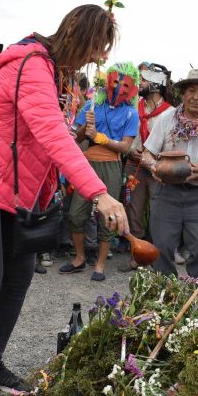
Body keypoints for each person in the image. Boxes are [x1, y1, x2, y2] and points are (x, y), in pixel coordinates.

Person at [0, 4, 127, 393]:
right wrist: (99, 193)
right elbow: (52, 135)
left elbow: (49, 139)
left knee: (18, 277)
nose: (101, 56)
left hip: (22, 192)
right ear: (78, 36)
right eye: (99, 45)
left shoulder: (60, 74)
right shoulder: (33, 67)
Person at [141, 68, 198, 278]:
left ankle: (192, 291)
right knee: (161, 248)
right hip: (166, 193)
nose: (196, 97)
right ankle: (167, 293)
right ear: (183, 93)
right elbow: (146, 154)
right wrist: (154, 167)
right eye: (191, 90)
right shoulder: (167, 119)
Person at [59, 61, 139, 282]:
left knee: (108, 216)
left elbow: (125, 147)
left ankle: (100, 264)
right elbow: (78, 137)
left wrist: (100, 138)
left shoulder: (131, 113)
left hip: (111, 166)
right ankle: (79, 258)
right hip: (87, 164)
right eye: (116, 82)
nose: (119, 88)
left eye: (125, 86)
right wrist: (87, 127)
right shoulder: (92, 105)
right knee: (76, 214)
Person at [119, 62, 174, 273]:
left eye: (142, 80)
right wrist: (130, 151)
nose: (139, 84)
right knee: (134, 208)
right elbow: (129, 135)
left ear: (155, 84)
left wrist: (155, 159)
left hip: (158, 167)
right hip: (135, 164)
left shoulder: (169, 113)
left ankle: (159, 254)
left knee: (159, 210)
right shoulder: (135, 108)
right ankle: (138, 253)